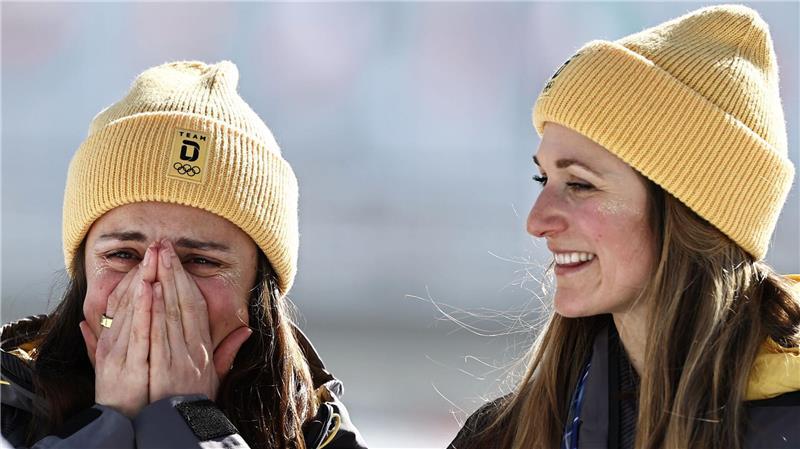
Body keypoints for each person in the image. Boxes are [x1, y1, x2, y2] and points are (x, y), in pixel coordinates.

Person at [449, 5, 799, 449]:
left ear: (688, 213)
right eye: (544, 178)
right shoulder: (509, 435)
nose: (537, 221)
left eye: (579, 184)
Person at [1, 60, 367, 449]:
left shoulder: (322, 434)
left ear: (259, 292)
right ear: (83, 270)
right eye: (123, 254)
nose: (153, 289)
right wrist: (111, 425)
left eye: (201, 261)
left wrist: (188, 424)